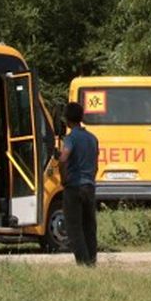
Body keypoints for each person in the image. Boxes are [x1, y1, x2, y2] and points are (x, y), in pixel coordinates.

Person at [58, 101, 100, 266]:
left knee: (74, 227)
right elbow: (96, 165)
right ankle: (92, 260)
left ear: (67, 120)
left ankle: (83, 262)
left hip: (74, 186)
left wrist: (63, 178)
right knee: (89, 226)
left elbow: (63, 159)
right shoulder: (92, 138)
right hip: (89, 185)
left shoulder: (71, 138)